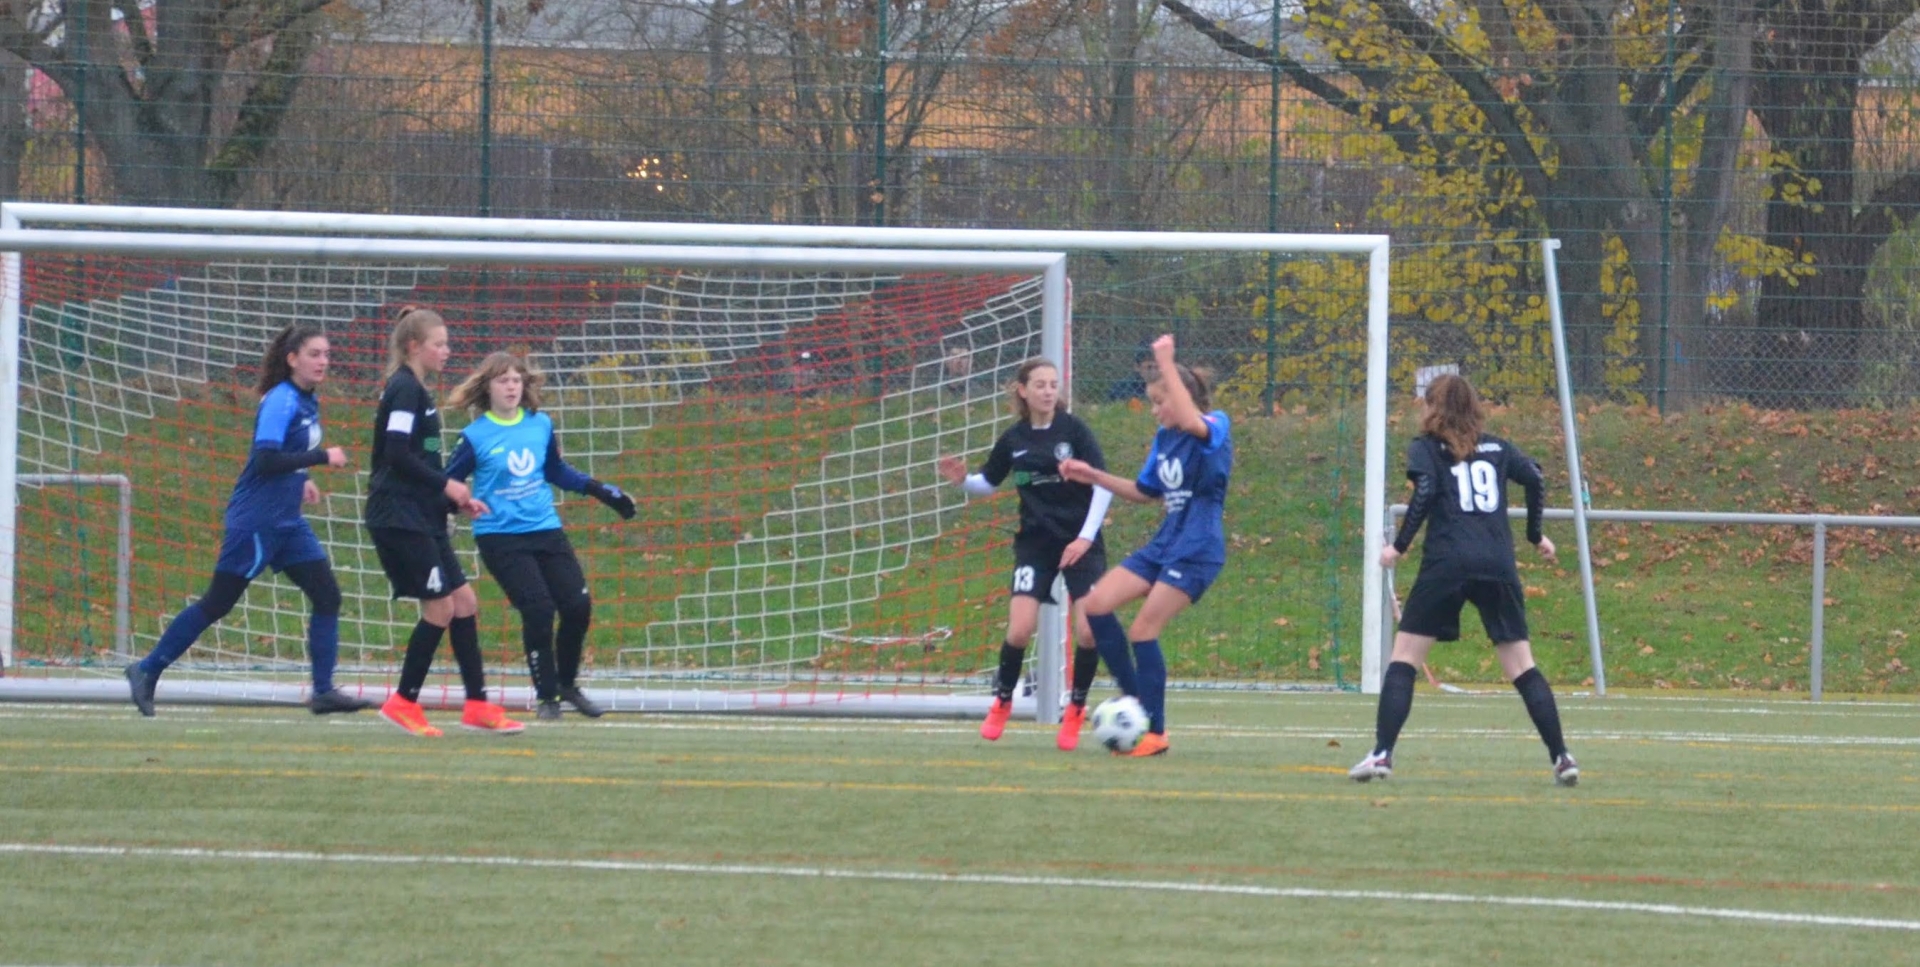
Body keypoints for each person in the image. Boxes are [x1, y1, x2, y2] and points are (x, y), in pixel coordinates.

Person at [123, 324, 373, 718]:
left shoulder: (307, 400)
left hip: (287, 523)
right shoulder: (281, 399)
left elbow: (289, 453)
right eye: (314, 354)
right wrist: (322, 458)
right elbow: (266, 459)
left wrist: (303, 479)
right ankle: (147, 668)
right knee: (218, 602)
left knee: (327, 596)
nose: (323, 361)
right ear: (292, 359)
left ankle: (324, 691)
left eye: (327, 354)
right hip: (257, 522)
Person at [1351, 372, 1578, 786]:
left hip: (1447, 562)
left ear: (1432, 408)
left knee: (1404, 659)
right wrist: (1534, 535)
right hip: (1496, 563)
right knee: (1522, 665)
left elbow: (1424, 493)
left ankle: (1382, 753)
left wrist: (1398, 547)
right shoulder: (1498, 447)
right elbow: (1535, 477)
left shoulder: (1425, 448)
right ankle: (1562, 757)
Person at [1059, 334, 1231, 758]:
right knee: (1095, 606)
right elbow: (1144, 491)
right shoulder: (1164, 438)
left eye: (1160, 401)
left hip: (1198, 547)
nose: (1155, 410)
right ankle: (1139, 704)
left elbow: (1191, 420)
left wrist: (1167, 362)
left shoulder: (1215, 424)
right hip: (1165, 542)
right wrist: (1093, 475)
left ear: (1182, 396)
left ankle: (1155, 732)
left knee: (1142, 630)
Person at [445, 352, 636, 721]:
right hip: (500, 537)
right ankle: (547, 697)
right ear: (488, 387)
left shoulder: (540, 424)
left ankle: (567, 684)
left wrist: (601, 491)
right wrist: (447, 512)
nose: (511, 387)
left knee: (577, 606)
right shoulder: (474, 436)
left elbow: (555, 470)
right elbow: (448, 481)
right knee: (539, 610)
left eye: (516, 380)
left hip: (546, 530)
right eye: (503, 380)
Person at [937, 358, 1112, 750]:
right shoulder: (1014, 439)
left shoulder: (1075, 431)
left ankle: (1076, 708)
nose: (1048, 391)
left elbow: (1103, 485)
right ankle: (1002, 701)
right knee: (1019, 630)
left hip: (1080, 542)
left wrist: (1084, 539)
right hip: (1036, 544)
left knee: (1089, 630)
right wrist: (963, 481)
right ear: (1023, 390)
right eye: (1040, 384)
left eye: (1053, 384)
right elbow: (988, 482)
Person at [365, 306, 523, 737]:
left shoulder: (419, 391)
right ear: (414, 346)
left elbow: (420, 462)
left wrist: (451, 500)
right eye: (439, 344)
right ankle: (403, 702)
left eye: (447, 343)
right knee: (440, 607)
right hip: (398, 517)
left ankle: (477, 706)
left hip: (422, 515)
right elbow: (396, 454)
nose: (447, 351)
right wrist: (447, 484)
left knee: (465, 603)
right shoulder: (403, 388)